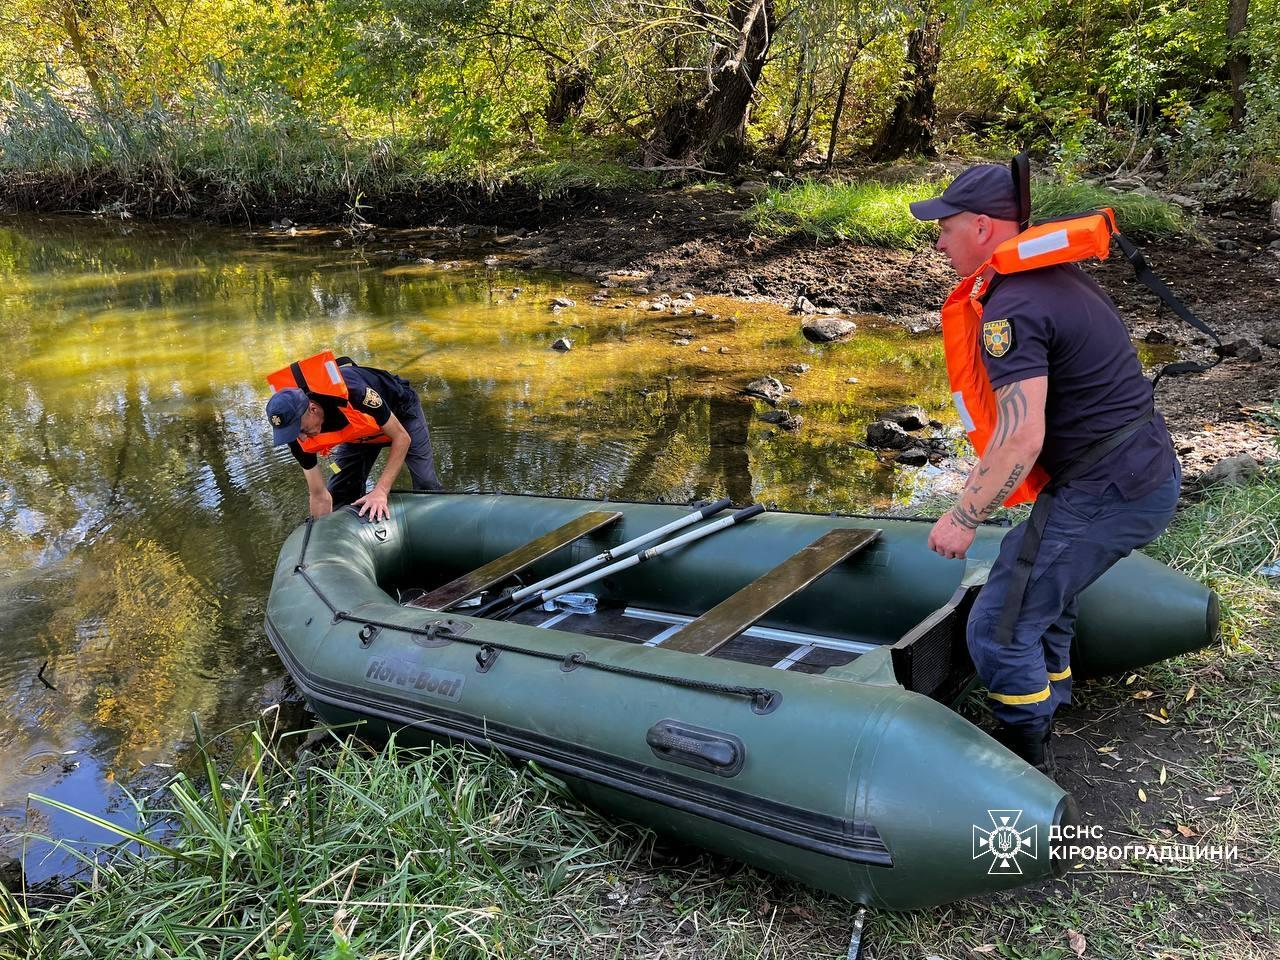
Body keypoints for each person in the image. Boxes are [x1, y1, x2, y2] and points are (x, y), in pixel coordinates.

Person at [909, 165, 1180, 775]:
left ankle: (1023, 760)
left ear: (981, 227)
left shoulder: (1013, 307)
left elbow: (1020, 436)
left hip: (1111, 487)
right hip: (1133, 472)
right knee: (1043, 599)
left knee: (999, 631)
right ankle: (1050, 698)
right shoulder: (1055, 277)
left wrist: (963, 515)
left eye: (945, 229)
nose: (940, 243)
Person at [266, 352, 442, 522]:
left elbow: (402, 438)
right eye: (296, 434)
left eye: (303, 430)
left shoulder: (357, 393)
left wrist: (381, 490)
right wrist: (319, 533)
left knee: (426, 484)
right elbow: (319, 495)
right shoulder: (294, 433)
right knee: (339, 492)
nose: (302, 439)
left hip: (400, 414)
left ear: (313, 409)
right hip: (361, 431)